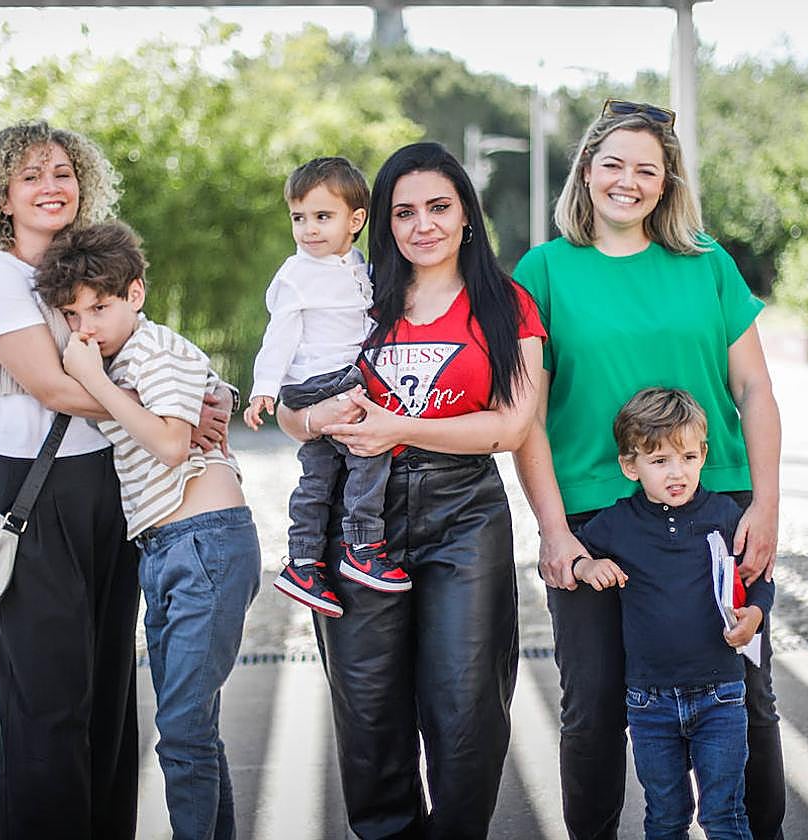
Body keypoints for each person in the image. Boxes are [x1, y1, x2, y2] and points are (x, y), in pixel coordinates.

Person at [512, 99, 786, 840]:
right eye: (612, 165)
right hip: (596, 519)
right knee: (595, 703)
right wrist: (554, 530)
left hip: (717, 504)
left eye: (646, 169)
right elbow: (525, 418)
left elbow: (755, 390)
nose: (626, 181)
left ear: (666, 183)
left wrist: (764, 506)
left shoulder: (708, 263)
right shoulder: (542, 270)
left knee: (745, 694)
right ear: (587, 172)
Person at [0, 121, 231, 838]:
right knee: (48, 706)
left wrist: (208, 392)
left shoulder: (87, 273)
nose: (51, 187)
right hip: (30, 496)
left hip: (108, 493)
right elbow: (53, 386)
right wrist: (160, 420)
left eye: (62, 172)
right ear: (3, 197)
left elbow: (150, 353)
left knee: (109, 698)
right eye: (30, 176)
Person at [277, 141, 546, 839]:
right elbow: (290, 404)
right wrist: (311, 417)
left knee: (466, 714)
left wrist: (401, 426)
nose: (421, 224)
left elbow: (513, 426)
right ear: (381, 221)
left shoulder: (506, 302)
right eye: (404, 211)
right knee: (368, 717)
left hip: (464, 518)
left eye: (438, 207)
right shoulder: (354, 293)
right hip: (360, 519)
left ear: (466, 215)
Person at [34, 220, 260, 840]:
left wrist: (95, 380)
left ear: (135, 294)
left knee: (183, 734)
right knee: (193, 730)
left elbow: (167, 443)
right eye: (74, 313)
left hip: (204, 543)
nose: (87, 326)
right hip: (165, 549)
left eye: (101, 307)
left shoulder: (153, 350)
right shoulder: (124, 353)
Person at [572, 387, 775, 840]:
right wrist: (588, 565)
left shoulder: (724, 514)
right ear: (631, 466)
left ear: (703, 454)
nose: (677, 472)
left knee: (724, 816)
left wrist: (757, 613)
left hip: (721, 695)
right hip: (649, 703)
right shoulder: (617, 523)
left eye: (687, 457)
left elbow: (760, 577)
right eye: (659, 461)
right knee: (665, 817)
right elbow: (568, 556)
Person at [244, 157, 404, 620]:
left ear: (355, 220)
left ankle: (303, 562)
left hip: (336, 376)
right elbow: (280, 335)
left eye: (322, 217)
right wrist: (265, 388)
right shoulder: (298, 274)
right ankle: (362, 546)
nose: (309, 229)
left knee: (319, 474)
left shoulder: (354, 263)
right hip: (321, 380)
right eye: (299, 218)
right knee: (371, 450)